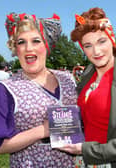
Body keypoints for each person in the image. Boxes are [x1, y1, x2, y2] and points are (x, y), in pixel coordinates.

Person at [0, 12, 78, 167]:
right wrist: (43, 130)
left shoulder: (68, 79)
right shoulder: (7, 89)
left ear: (46, 45)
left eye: (36, 41)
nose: (28, 48)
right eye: (21, 42)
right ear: (15, 49)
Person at [58, 7, 116, 168]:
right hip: (84, 161)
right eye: (88, 45)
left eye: (101, 41)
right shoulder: (88, 74)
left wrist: (85, 149)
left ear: (111, 39)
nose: (96, 51)